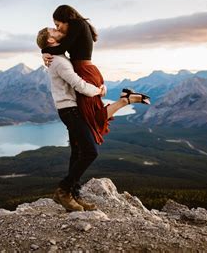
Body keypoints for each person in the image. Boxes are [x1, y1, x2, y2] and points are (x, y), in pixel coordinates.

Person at [37, 26, 149, 212]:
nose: (58, 29)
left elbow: (72, 67)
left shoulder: (57, 55)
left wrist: (44, 52)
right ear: (50, 40)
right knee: (90, 152)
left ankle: (75, 195)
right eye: (54, 30)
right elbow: (79, 84)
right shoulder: (59, 62)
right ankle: (63, 190)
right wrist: (99, 91)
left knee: (77, 151)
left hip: (71, 109)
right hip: (69, 110)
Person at [42, 5, 150, 146]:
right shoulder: (77, 27)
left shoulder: (77, 24)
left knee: (91, 116)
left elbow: (60, 48)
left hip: (84, 70)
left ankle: (125, 100)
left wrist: (44, 50)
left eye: (58, 24)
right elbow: (58, 45)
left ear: (65, 19)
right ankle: (125, 99)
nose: (58, 28)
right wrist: (46, 51)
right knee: (90, 114)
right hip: (86, 70)